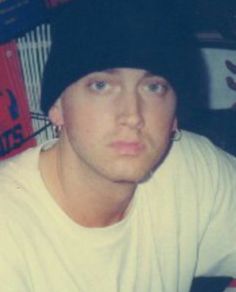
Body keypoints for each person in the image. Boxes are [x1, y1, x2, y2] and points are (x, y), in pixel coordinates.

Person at [0, 1, 236, 291]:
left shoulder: (192, 172)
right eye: (101, 86)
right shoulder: (8, 229)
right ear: (57, 107)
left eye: (154, 87)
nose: (133, 115)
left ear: (174, 115)